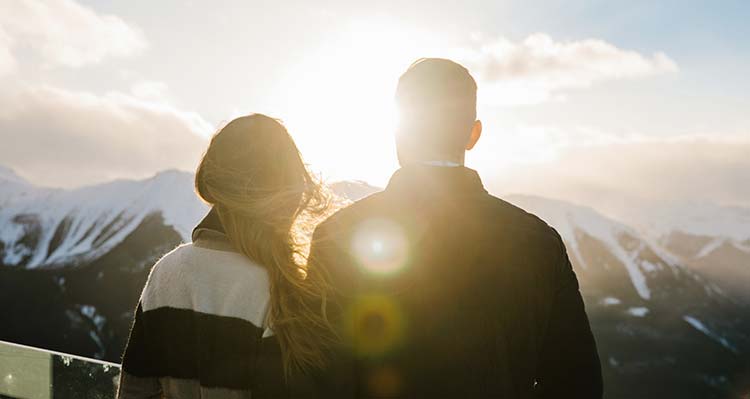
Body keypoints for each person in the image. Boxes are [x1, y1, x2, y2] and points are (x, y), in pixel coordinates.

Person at [308, 58, 603, 398]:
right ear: (473, 134)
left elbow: (317, 379)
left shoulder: (337, 235)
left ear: (397, 130)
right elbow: (578, 383)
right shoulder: (539, 242)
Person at [118, 114, 337, 399]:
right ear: (286, 192)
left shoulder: (166, 273)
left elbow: (134, 393)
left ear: (214, 183)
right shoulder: (283, 288)